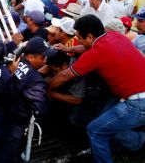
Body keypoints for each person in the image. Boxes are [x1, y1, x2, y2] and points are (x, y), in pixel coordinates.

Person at [48, 14, 145, 163]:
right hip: (132, 95)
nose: (77, 40)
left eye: (79, 37)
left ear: (90, 36)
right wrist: (69, 48)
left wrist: (46, 87)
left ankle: (137, 143)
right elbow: (86, 46)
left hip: (137, 103)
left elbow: (65, 76)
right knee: (105, 122)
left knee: (95, 130)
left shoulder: (95, 54)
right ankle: (138, 142)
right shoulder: (114, 36)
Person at [0, 36, 54, 163]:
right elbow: (41, 109)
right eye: (42, 57)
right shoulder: (36, 80)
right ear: (30, 57)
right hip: (15, 125)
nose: (45, 61)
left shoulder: (14, 63)